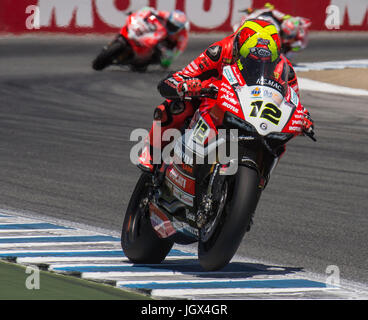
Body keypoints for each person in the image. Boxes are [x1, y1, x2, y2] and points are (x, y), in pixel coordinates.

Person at [137, 19, 314, 174]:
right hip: (211, 96)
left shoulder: (285, 69)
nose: (258, 62)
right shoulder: (220, 51)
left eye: (265, 60)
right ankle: (152, 152)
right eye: (250, 57)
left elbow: (292, 100)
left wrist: (304, 118)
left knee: (278, 140)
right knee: (177, 108)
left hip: (251, 107)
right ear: (238, 48)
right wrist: (187, 85)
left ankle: (259, 178)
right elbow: (182, 76)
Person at [234, 2, 311, 60]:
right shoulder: (275, 30)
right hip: (250, 26)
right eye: (286, 35)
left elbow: (268, 9)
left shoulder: (277, 16)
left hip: (255, 19)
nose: (286, 37)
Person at [123, 7, 190, 71]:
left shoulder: (183, 37)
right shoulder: (166, 15)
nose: (171, 27)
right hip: (159, 31)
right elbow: (150, 11)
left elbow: (177, 52)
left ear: (180, 28)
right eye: (170, 24)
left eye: (174, 27)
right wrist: (141, 14)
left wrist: (167, 60)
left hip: (167, 43)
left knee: (163, 60)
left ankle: (144, 61)